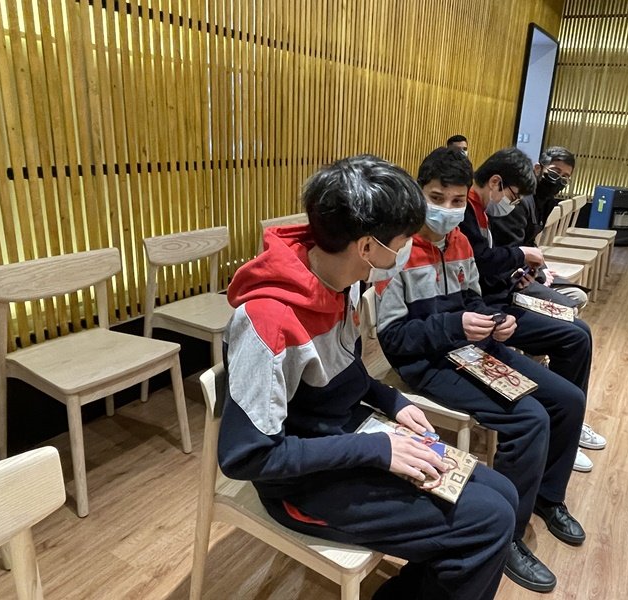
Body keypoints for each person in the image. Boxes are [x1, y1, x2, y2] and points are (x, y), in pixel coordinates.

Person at [218, 154, 517, 600]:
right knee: (489, 522)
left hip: (346, 439)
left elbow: (343, 371)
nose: (406, 250)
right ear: (366, 247)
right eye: (402, 241)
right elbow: (247, 456)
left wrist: (392, 400)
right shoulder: (267, 321)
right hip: (301, 482)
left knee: (504, 494)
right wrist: (377, 449)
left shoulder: (341, 281)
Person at [376, 147, 587, 594]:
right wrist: (454, 325)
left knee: (568, 400)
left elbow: (474, 299)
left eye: (457, 201)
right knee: (529, 419)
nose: (448, 209)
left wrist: (498, 320)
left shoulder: (460, 242)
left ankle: (548, 498)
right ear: (418, 192)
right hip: (428, 363)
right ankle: (506, 537)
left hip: (474, 346)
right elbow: (393, 340)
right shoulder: (396, 251)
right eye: (437, 198)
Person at [460, 147, 603, 472]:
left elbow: (481, 268)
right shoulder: (466, 212)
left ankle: (568, 425)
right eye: (439, 197)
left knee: (579, 331)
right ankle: (563, 427)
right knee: (572, 337)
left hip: (498, 299)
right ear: (495, 182)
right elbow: (481, 265)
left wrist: (518, 272)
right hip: (491, 308)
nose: (448, 206)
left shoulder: (482, 211)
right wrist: (520, 258)